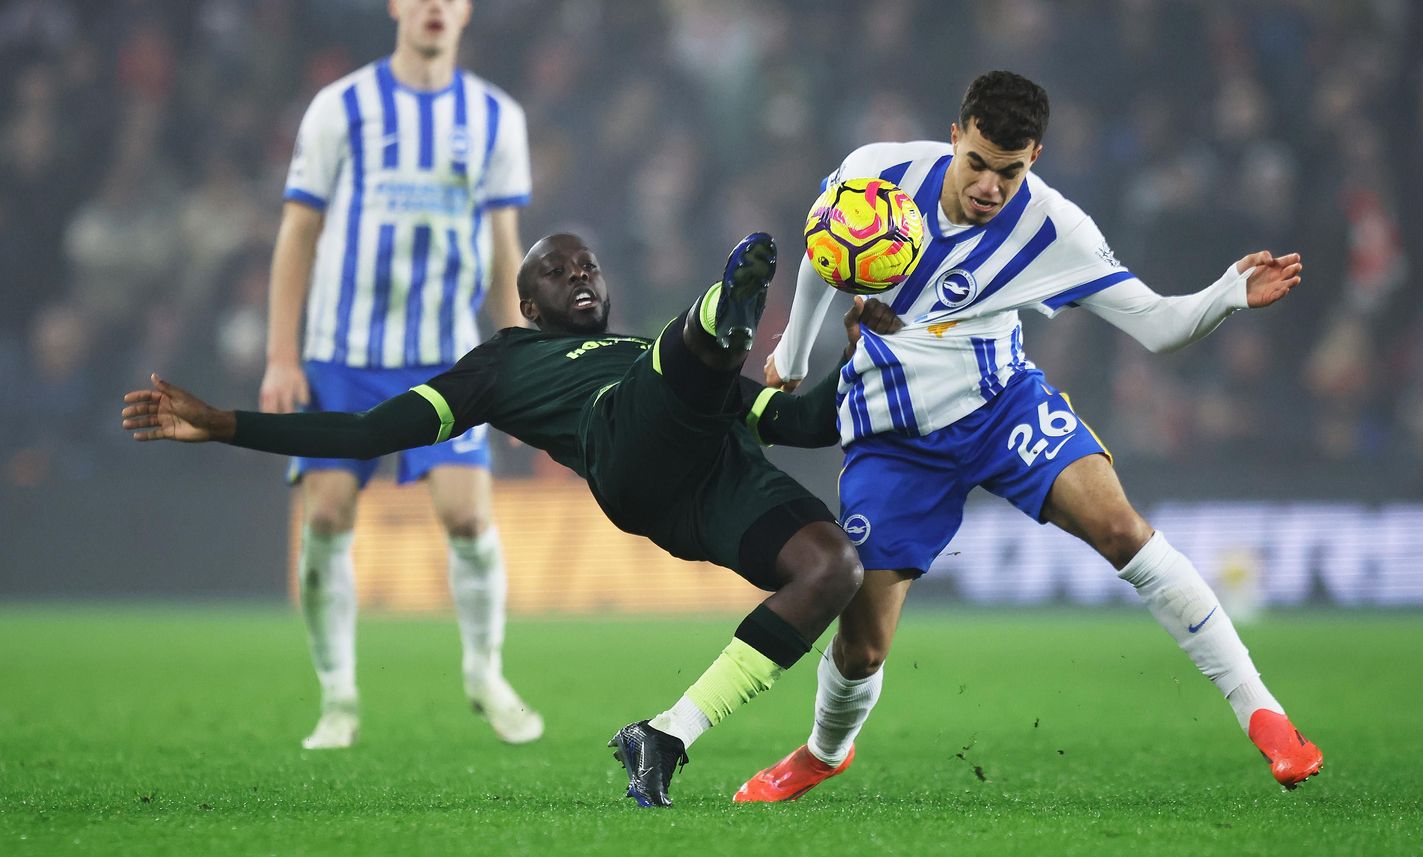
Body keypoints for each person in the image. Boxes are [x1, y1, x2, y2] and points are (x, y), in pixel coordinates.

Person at [123, 232, 893, 808]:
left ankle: (665, 734)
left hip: (722, 481)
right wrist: (225, 424)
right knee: (682, 359)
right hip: (629, 456)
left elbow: (803, 423)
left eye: (587, 264)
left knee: (833, 568)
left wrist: (863, 355)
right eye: (557, 271)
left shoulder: (646, 351)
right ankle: (728, 310)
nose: (579, 273)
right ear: (528, 306)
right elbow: (365, 432)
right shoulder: (504, 361)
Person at [735, 70, 1323, 802]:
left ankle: (1264, 713)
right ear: (956, 135)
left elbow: (1157, 324)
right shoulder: (877, 173)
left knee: (1122, 528)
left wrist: (1227, 295)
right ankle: (826, 751)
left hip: (1003, 407)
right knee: (863, 649)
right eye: (977, 163)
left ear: (1035, 157)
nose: (989, 186)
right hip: (895, 436)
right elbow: (823, 252)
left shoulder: (1055, 231)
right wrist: (793, 354)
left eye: (1009, 172)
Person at [261, 0, 538, 748]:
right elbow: (298, 232)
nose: (434, 7)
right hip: (340, 354)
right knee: (326, 517)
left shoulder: (496, 118)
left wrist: (520, 368)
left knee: (469, 518)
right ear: (395, 6)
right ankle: (338, 698)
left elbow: (504, 249)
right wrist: (282, 355)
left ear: (467, 10)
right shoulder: (340, 107)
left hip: (443, 356)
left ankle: (485, 672)